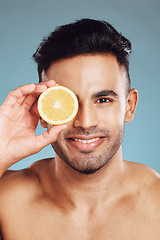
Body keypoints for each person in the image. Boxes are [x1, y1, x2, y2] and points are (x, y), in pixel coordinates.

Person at [0, 18, 160, 239]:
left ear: (129, 106)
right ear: (43, 111)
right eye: (68, 102)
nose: (85, 122)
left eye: (103, 100)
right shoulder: (6, 200)